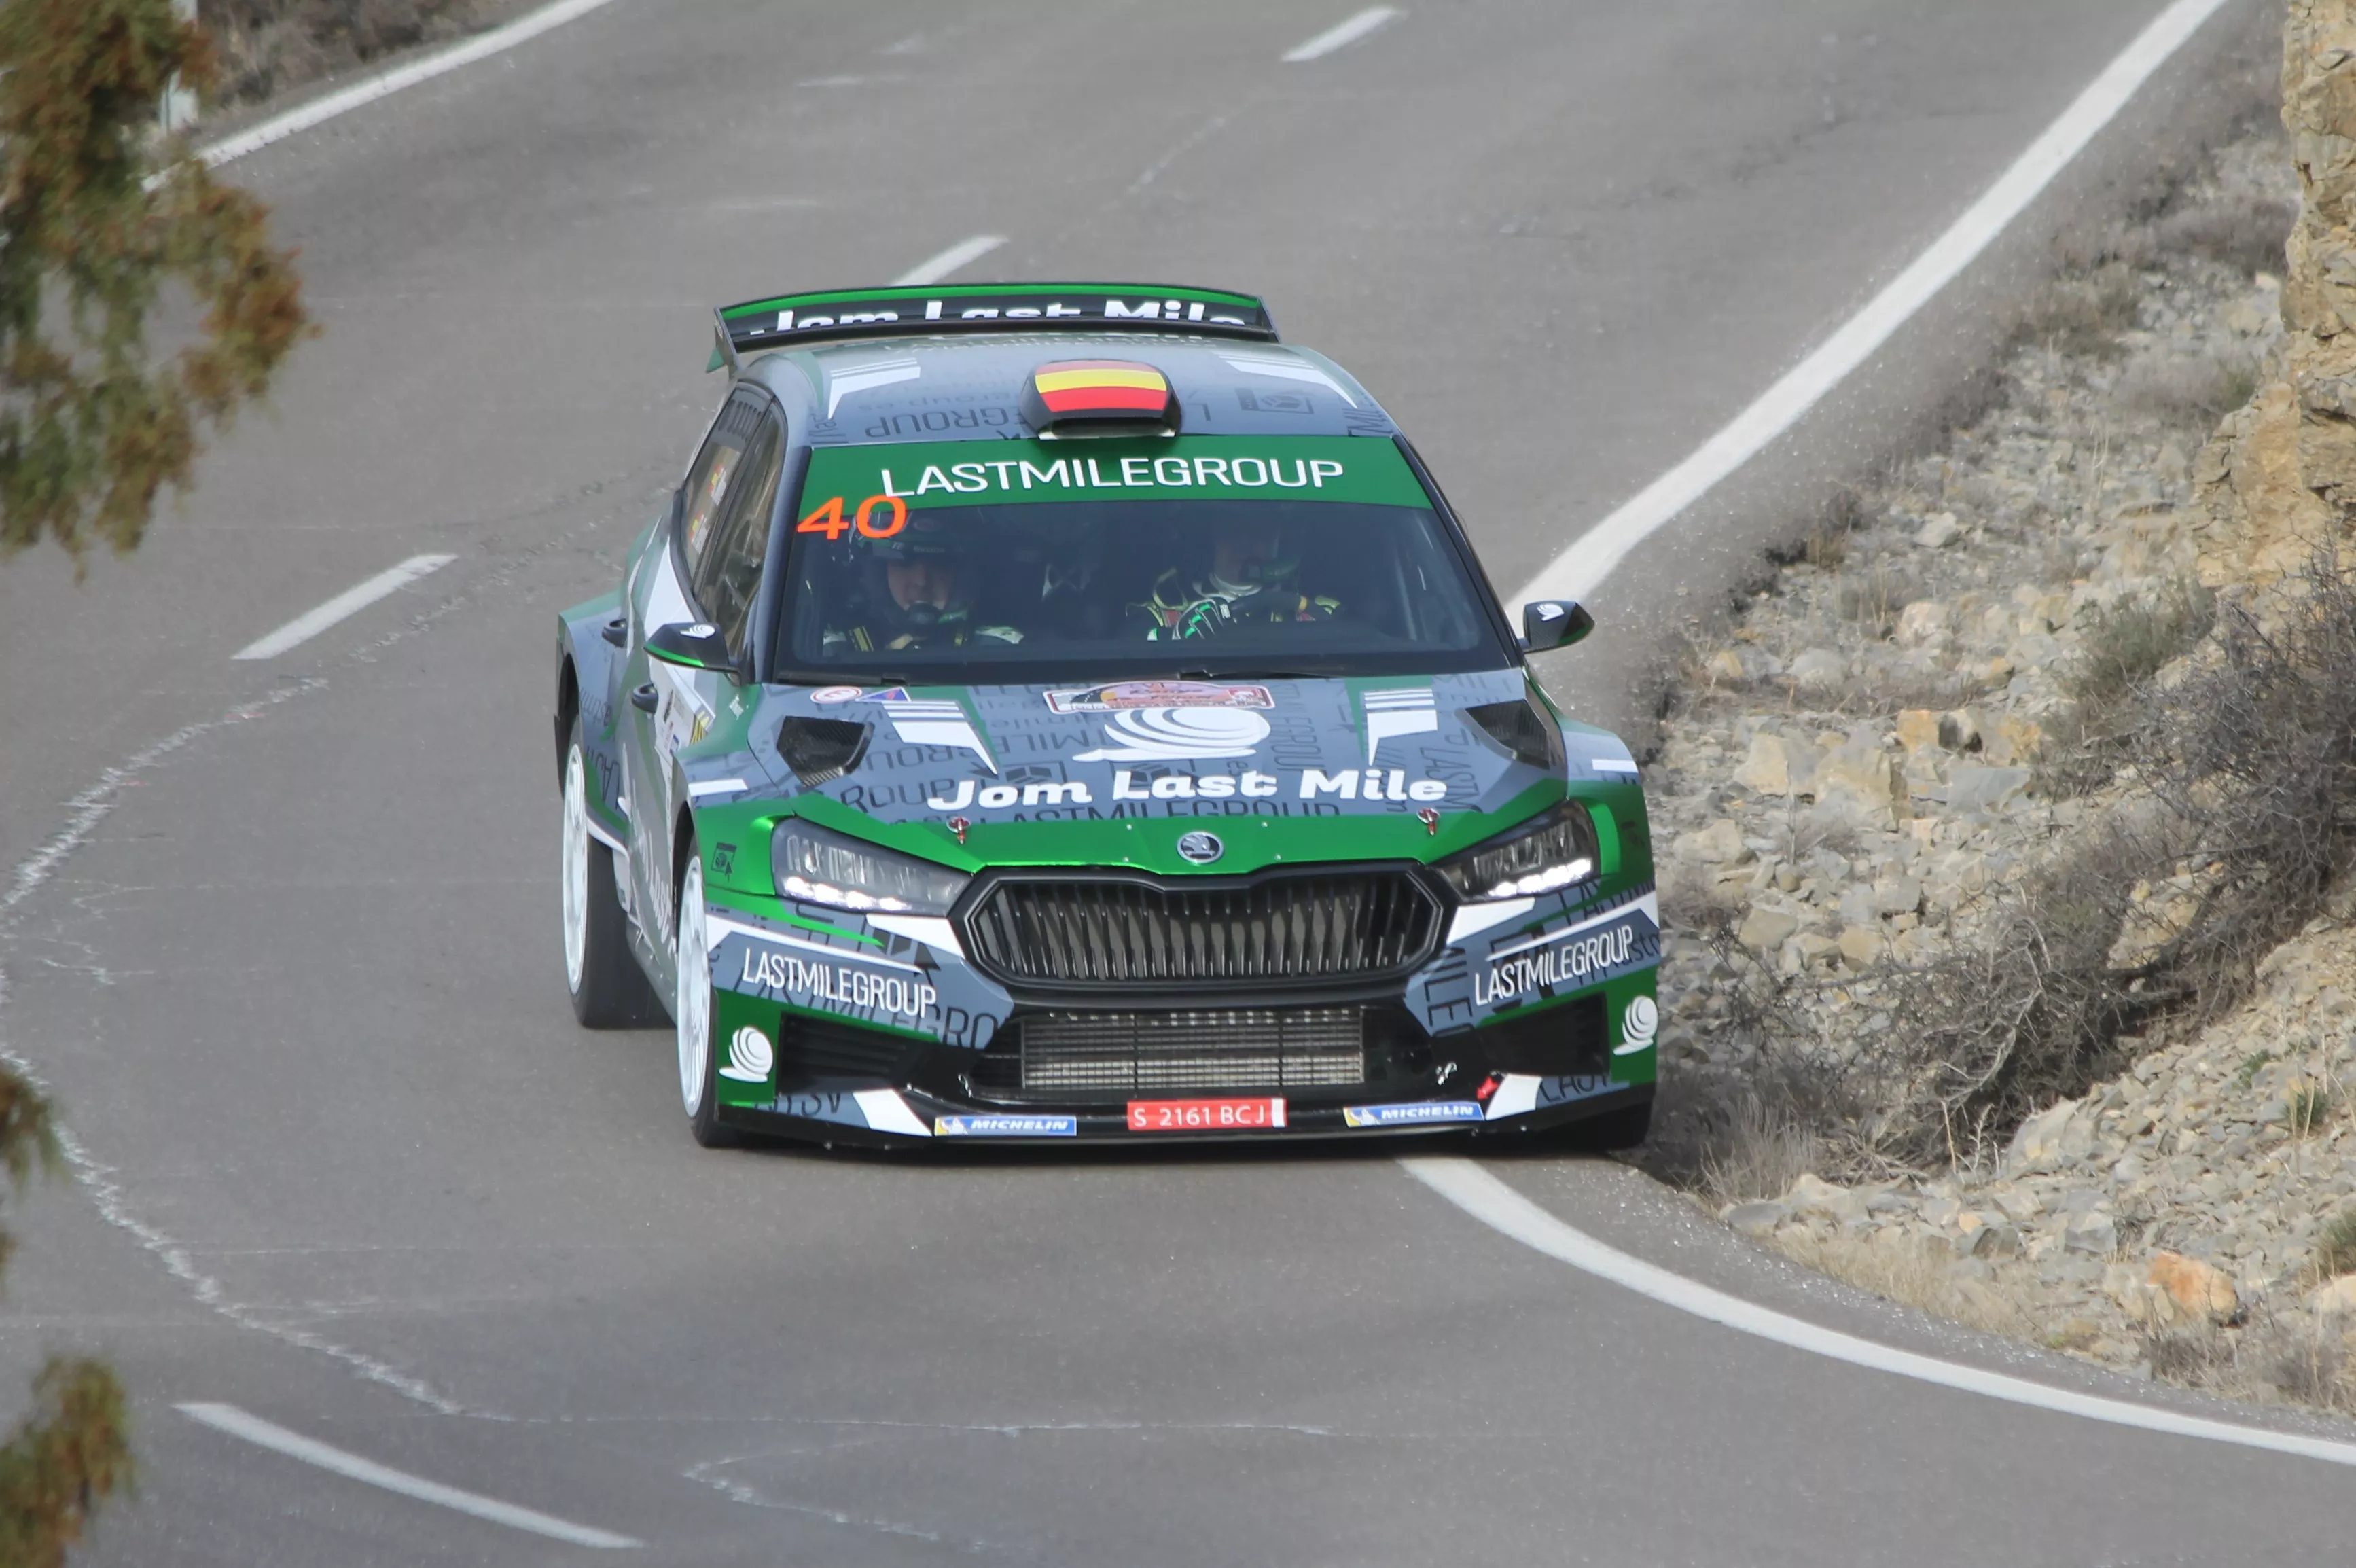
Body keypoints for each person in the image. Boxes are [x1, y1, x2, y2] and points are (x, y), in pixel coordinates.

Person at [822, 518, 1022, 652]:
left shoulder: (1005, 651)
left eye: (940, 563)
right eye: (904, 562)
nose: (922, 581)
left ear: (964, 577)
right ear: (877, 574)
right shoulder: (829, 653)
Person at [1128, 515, 1341, 640]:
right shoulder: (1159, 614)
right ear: (1209, 542)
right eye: (1232, 532)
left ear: (1278, 544)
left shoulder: (1319, 612)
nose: (1243, 544)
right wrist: (1177, 638)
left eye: (1258, 533)